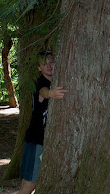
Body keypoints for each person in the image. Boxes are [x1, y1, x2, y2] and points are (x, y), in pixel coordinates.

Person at [18, 51, 68, 194]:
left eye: (51, 61)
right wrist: (52, 94)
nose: (49, 66)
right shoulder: (41, 81)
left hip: (43, 141)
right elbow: (43, 92)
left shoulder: (57, 79)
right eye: (44, 63)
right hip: (36, 139)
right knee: (30, 183)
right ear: (39, 67)